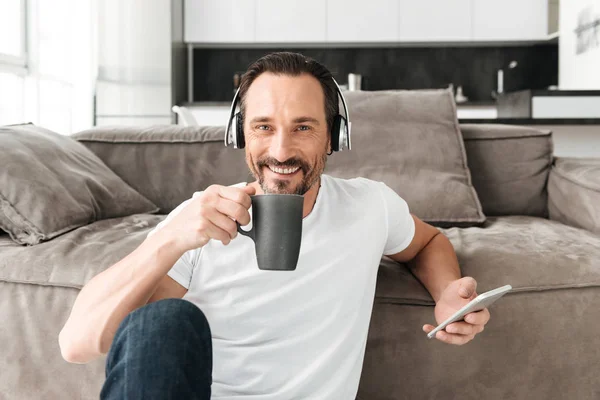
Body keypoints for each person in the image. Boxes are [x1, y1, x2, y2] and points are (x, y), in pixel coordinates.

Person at [59, 52, 490, 399]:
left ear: (333, 136)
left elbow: (426, 241)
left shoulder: (369, 206)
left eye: (303, 127)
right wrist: (170, 239)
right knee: (165, 319)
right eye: (263, 127)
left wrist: (447, 293)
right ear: (240, 134)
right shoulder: (198, 220)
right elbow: (77, 344)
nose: (281, 150)